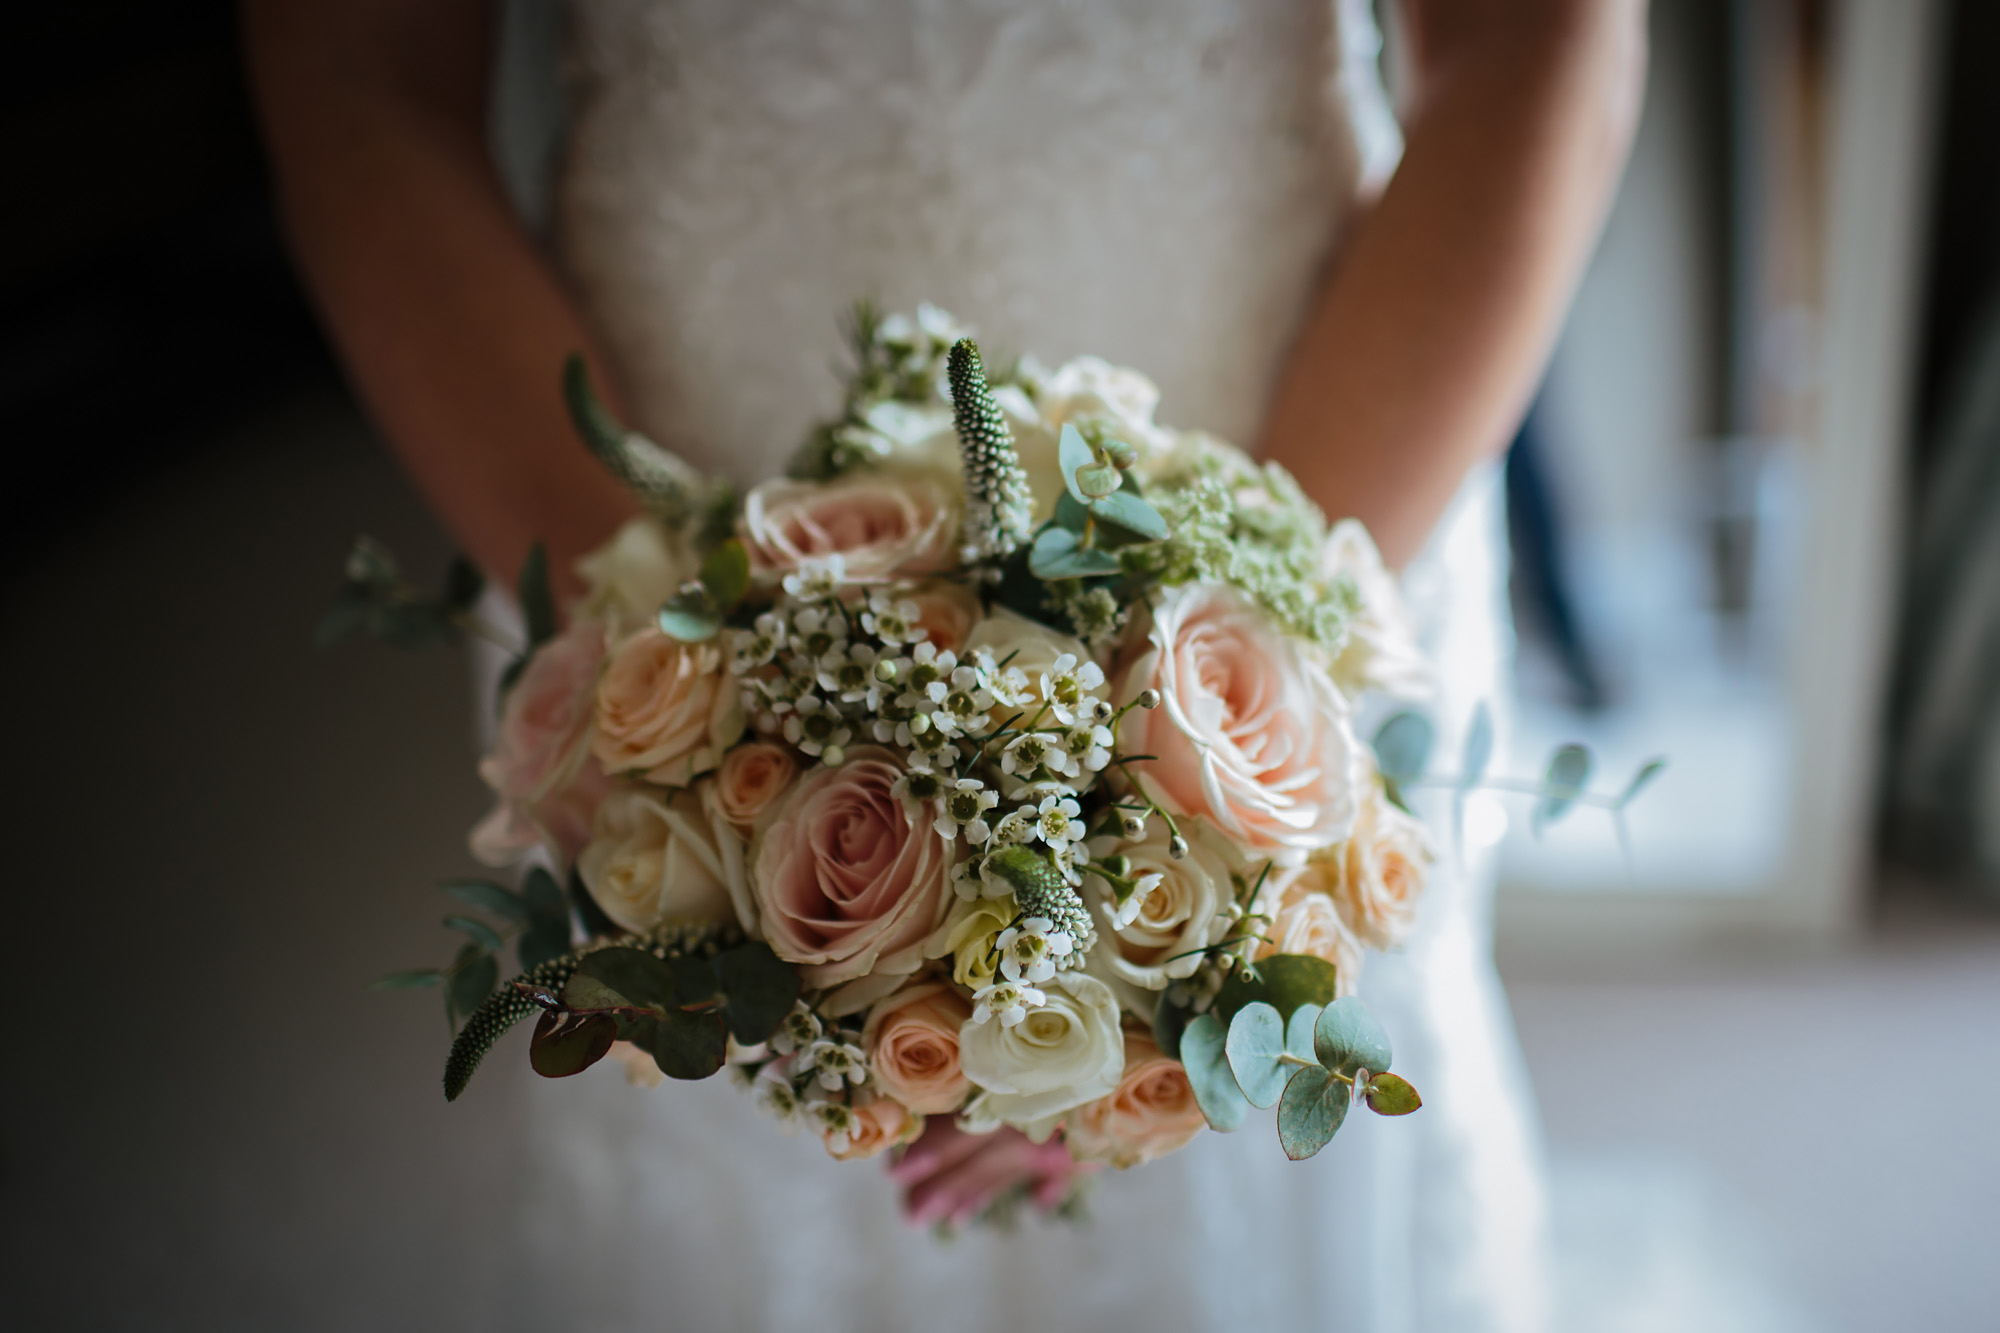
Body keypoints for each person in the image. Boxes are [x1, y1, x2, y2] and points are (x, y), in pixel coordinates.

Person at [246, 2, 1645, 1328]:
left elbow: (1539, 33)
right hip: (660, 489)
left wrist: (1222, 775)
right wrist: (695, 696)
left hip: (1315, 433)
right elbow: (359, 68)